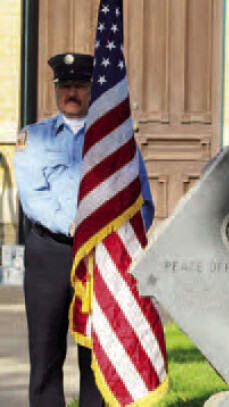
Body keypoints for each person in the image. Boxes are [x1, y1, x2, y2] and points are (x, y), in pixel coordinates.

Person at [14, 52, 154, 406]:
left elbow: (142, 198)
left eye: (79, 85)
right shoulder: (35, 138)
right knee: (45, 349)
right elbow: (34, 198)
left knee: (97, 347)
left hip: (102, 255)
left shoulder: (116, 139)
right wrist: (77, 226)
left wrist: (128, 241)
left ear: (93, 88)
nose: (71, 93)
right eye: (65, 86)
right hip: (51, 253)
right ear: (56, 89)